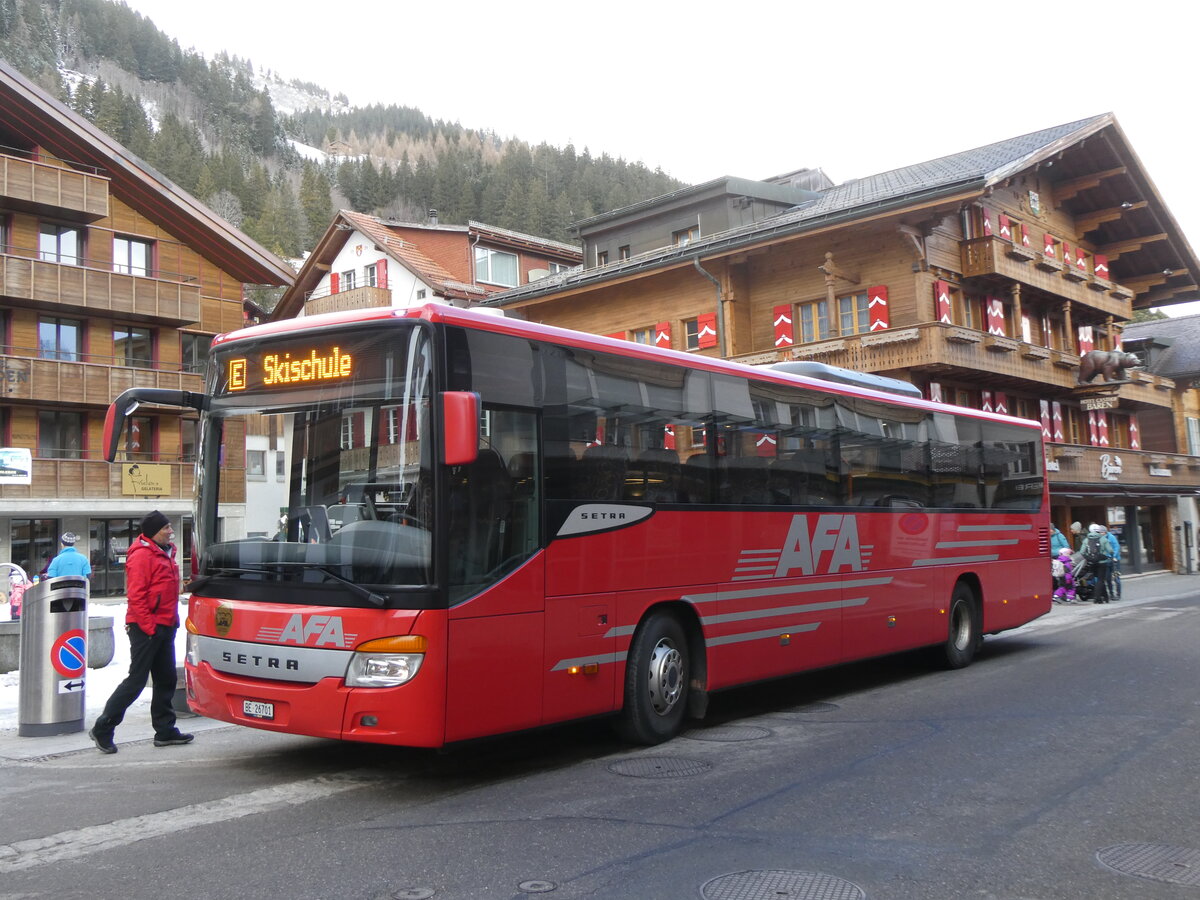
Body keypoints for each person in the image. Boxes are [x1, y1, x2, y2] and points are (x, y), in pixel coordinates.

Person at [89, 511, 193, 754]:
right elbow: (136, 597)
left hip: (164, 625)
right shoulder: (142, 556)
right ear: (153, 532)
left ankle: (165, 730)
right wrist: (149, 628)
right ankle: (103, 727)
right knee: (136, 681)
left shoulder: (166, 552)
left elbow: (166, 591)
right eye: (166, 527)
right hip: (147, 628)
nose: (171, 531)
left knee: (166, 678)